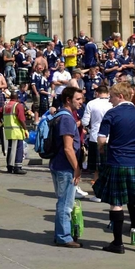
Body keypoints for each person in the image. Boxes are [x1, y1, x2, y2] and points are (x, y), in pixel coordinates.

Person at [94, 83, 135, 254]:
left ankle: (118, 243)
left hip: (116, 163)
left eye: (112, 97)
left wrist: (102, 149)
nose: (110, 101)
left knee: (116, 204)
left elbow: (100, 139)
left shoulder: (112, 113)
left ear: (120, 96)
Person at [49, 87, 84, 248]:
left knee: (63, 202)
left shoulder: (61, 116)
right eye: (78, 99)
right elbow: (68, 147)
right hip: (65, 166)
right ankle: (64, 236)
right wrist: (77, 168)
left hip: (58, 164)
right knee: (65, 203)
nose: (81, 102)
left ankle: (60, 234)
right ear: (68, 100)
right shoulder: (67, 119)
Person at [0, 89, 28, 175]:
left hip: (8, 131)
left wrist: (1, 121)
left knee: (10, 149)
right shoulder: (18, 106)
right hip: (16, 131)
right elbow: (21, 119)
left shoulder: (5, 106)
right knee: (18, 149)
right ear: (17, 98)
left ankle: (10, 167)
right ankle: (17, 167)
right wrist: (25, 129)